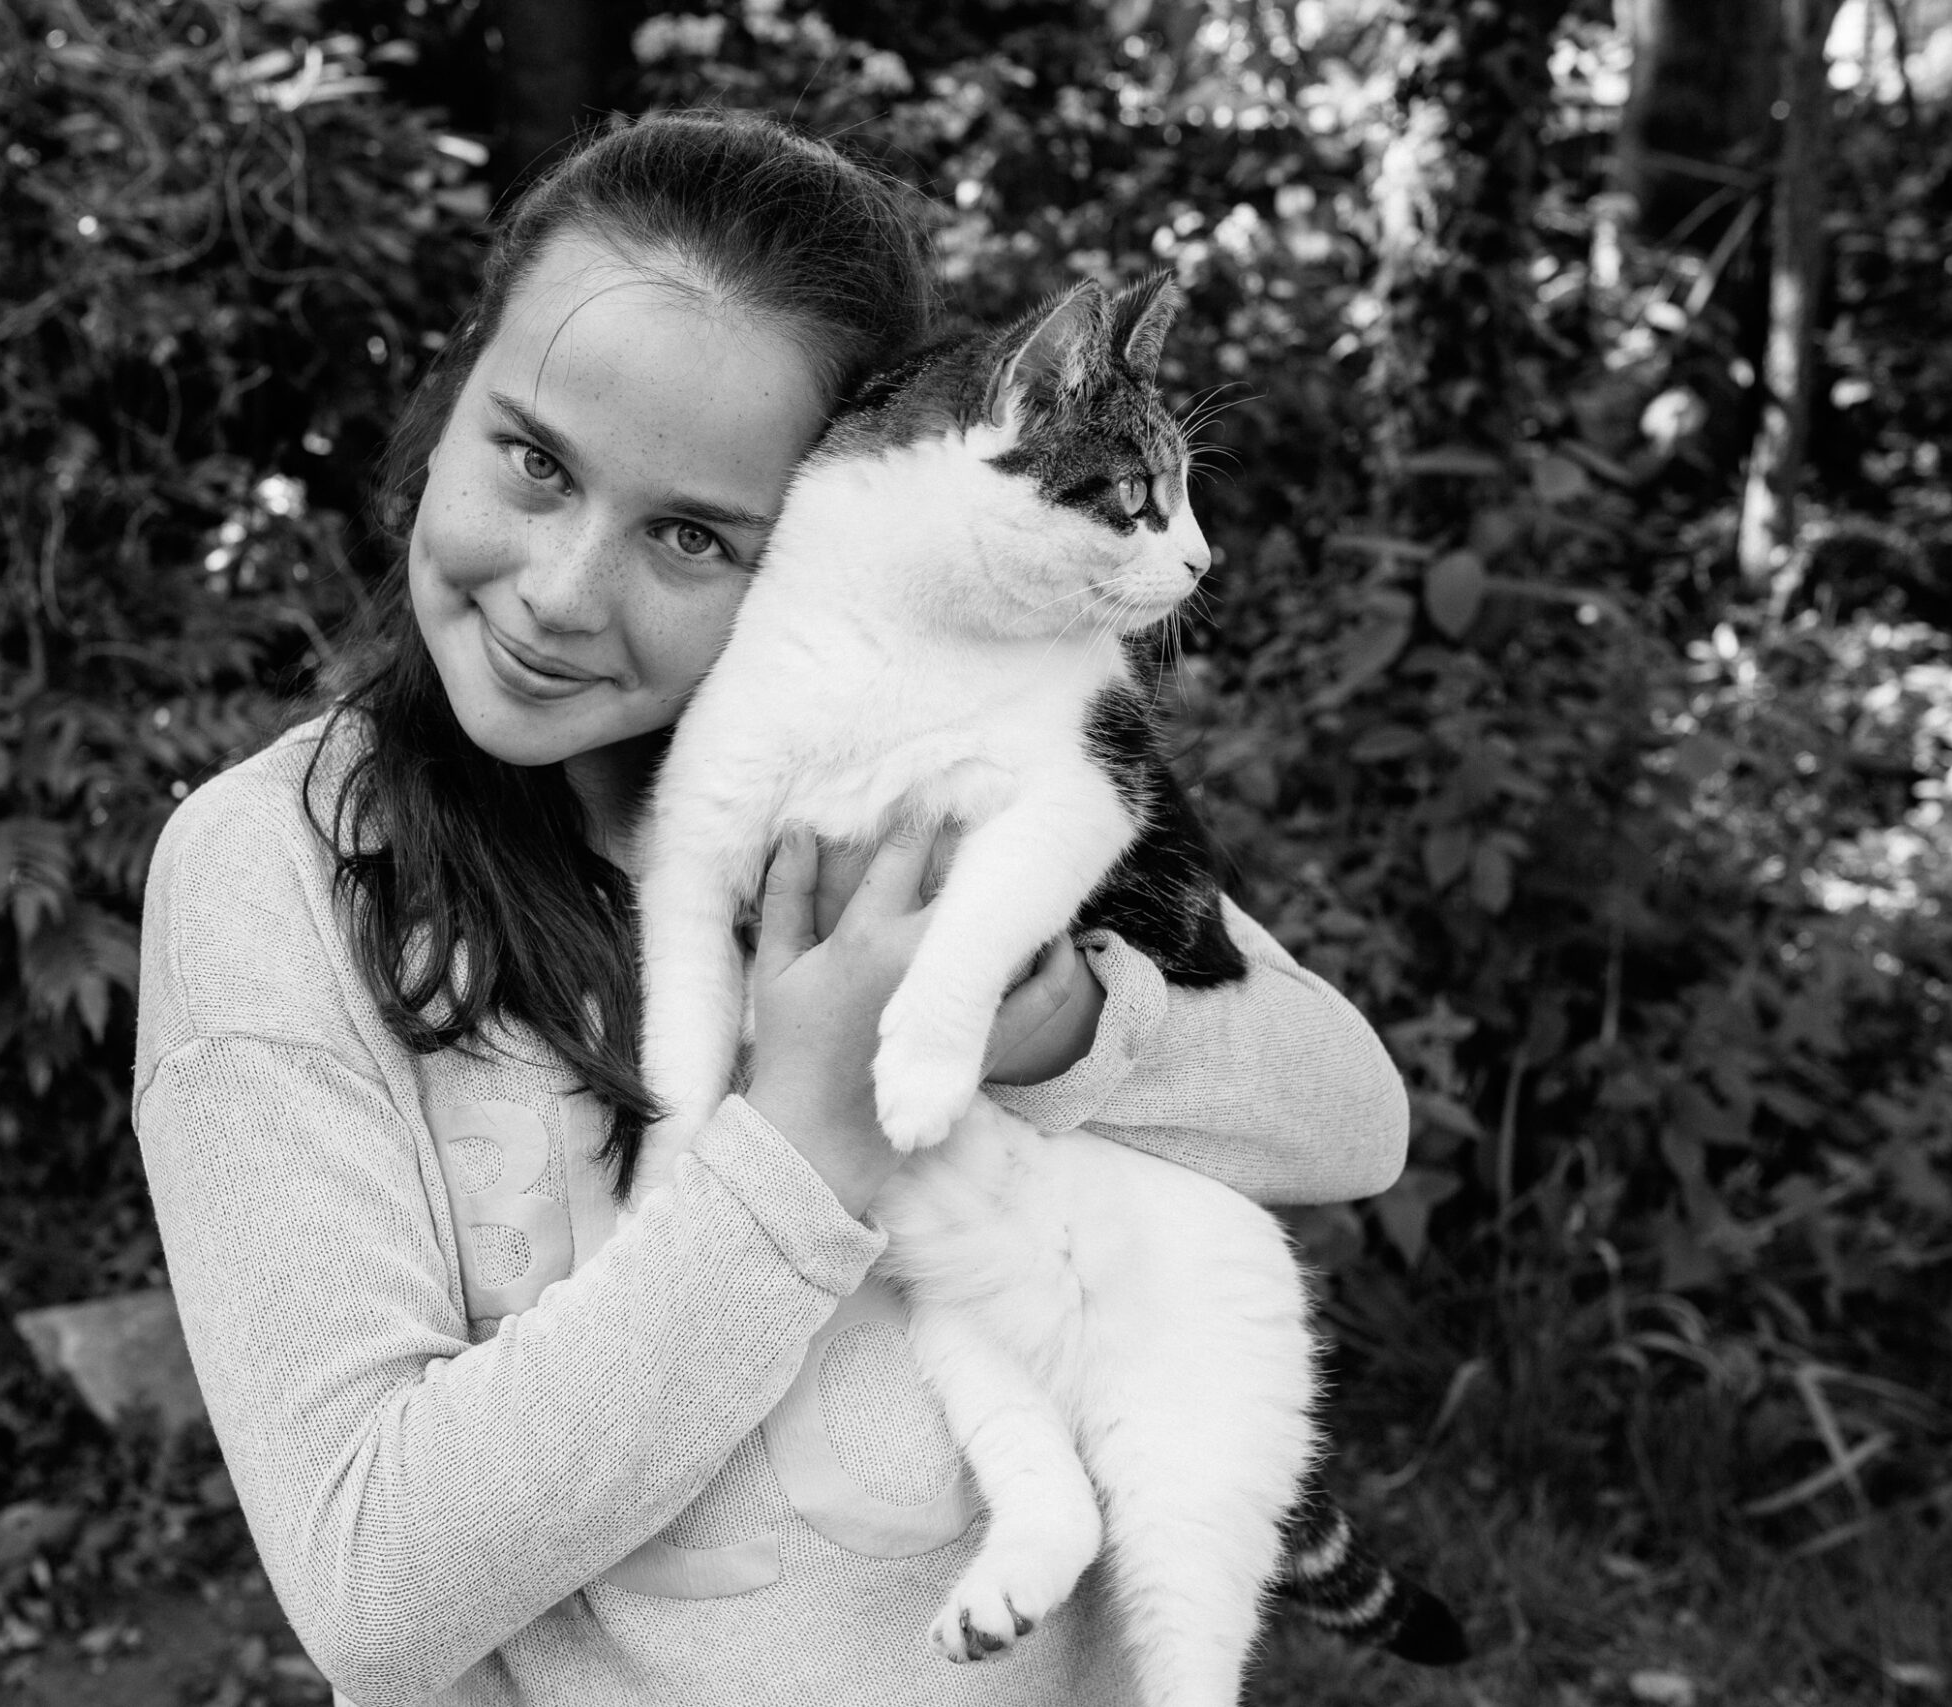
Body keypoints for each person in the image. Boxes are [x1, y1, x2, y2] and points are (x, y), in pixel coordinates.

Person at [135, 110, 1407, 1707]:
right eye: (534, 459)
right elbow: (372, 1589)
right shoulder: (274, 873)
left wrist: (1054, 1022)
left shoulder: (928, 743)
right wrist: (801, 1140)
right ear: (449, 400)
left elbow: (1351, 1120)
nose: (561, 593)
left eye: (691, 535)